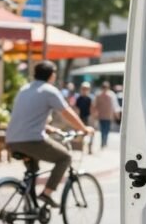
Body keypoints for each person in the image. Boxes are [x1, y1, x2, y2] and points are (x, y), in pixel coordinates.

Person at [6, 61, 93, 208]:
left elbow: (25, 117)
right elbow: (66, 113)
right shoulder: (49, 90)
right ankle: (47, 193)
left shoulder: (24, 89)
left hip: (12, 140)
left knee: (33, 170)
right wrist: (84, 129)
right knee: (65, 157)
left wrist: (47, 128)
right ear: (52, 75)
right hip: (32, 140)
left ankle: (30, 203)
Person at [92, 81, 120, 148]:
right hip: (102, 115)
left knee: (106, 129)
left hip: (108, 116)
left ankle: (104, 142)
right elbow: (95, 105)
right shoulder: (98, 95)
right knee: (102, 129)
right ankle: (103, 142)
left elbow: (115, 106)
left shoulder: (111, 95)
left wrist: (116, 115)